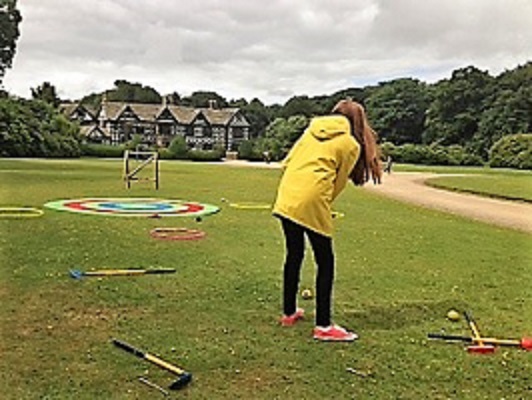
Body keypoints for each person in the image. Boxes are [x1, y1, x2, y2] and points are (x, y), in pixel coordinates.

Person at [272, 99, 381, 342]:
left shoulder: (310, 131)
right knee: (325, 261)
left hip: (286, 196)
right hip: (312, 199)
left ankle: (288, 313)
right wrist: (322, 204)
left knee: (294, 254)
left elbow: (287, 163)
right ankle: (323, 326)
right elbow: (338, 182)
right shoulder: (350, 144)